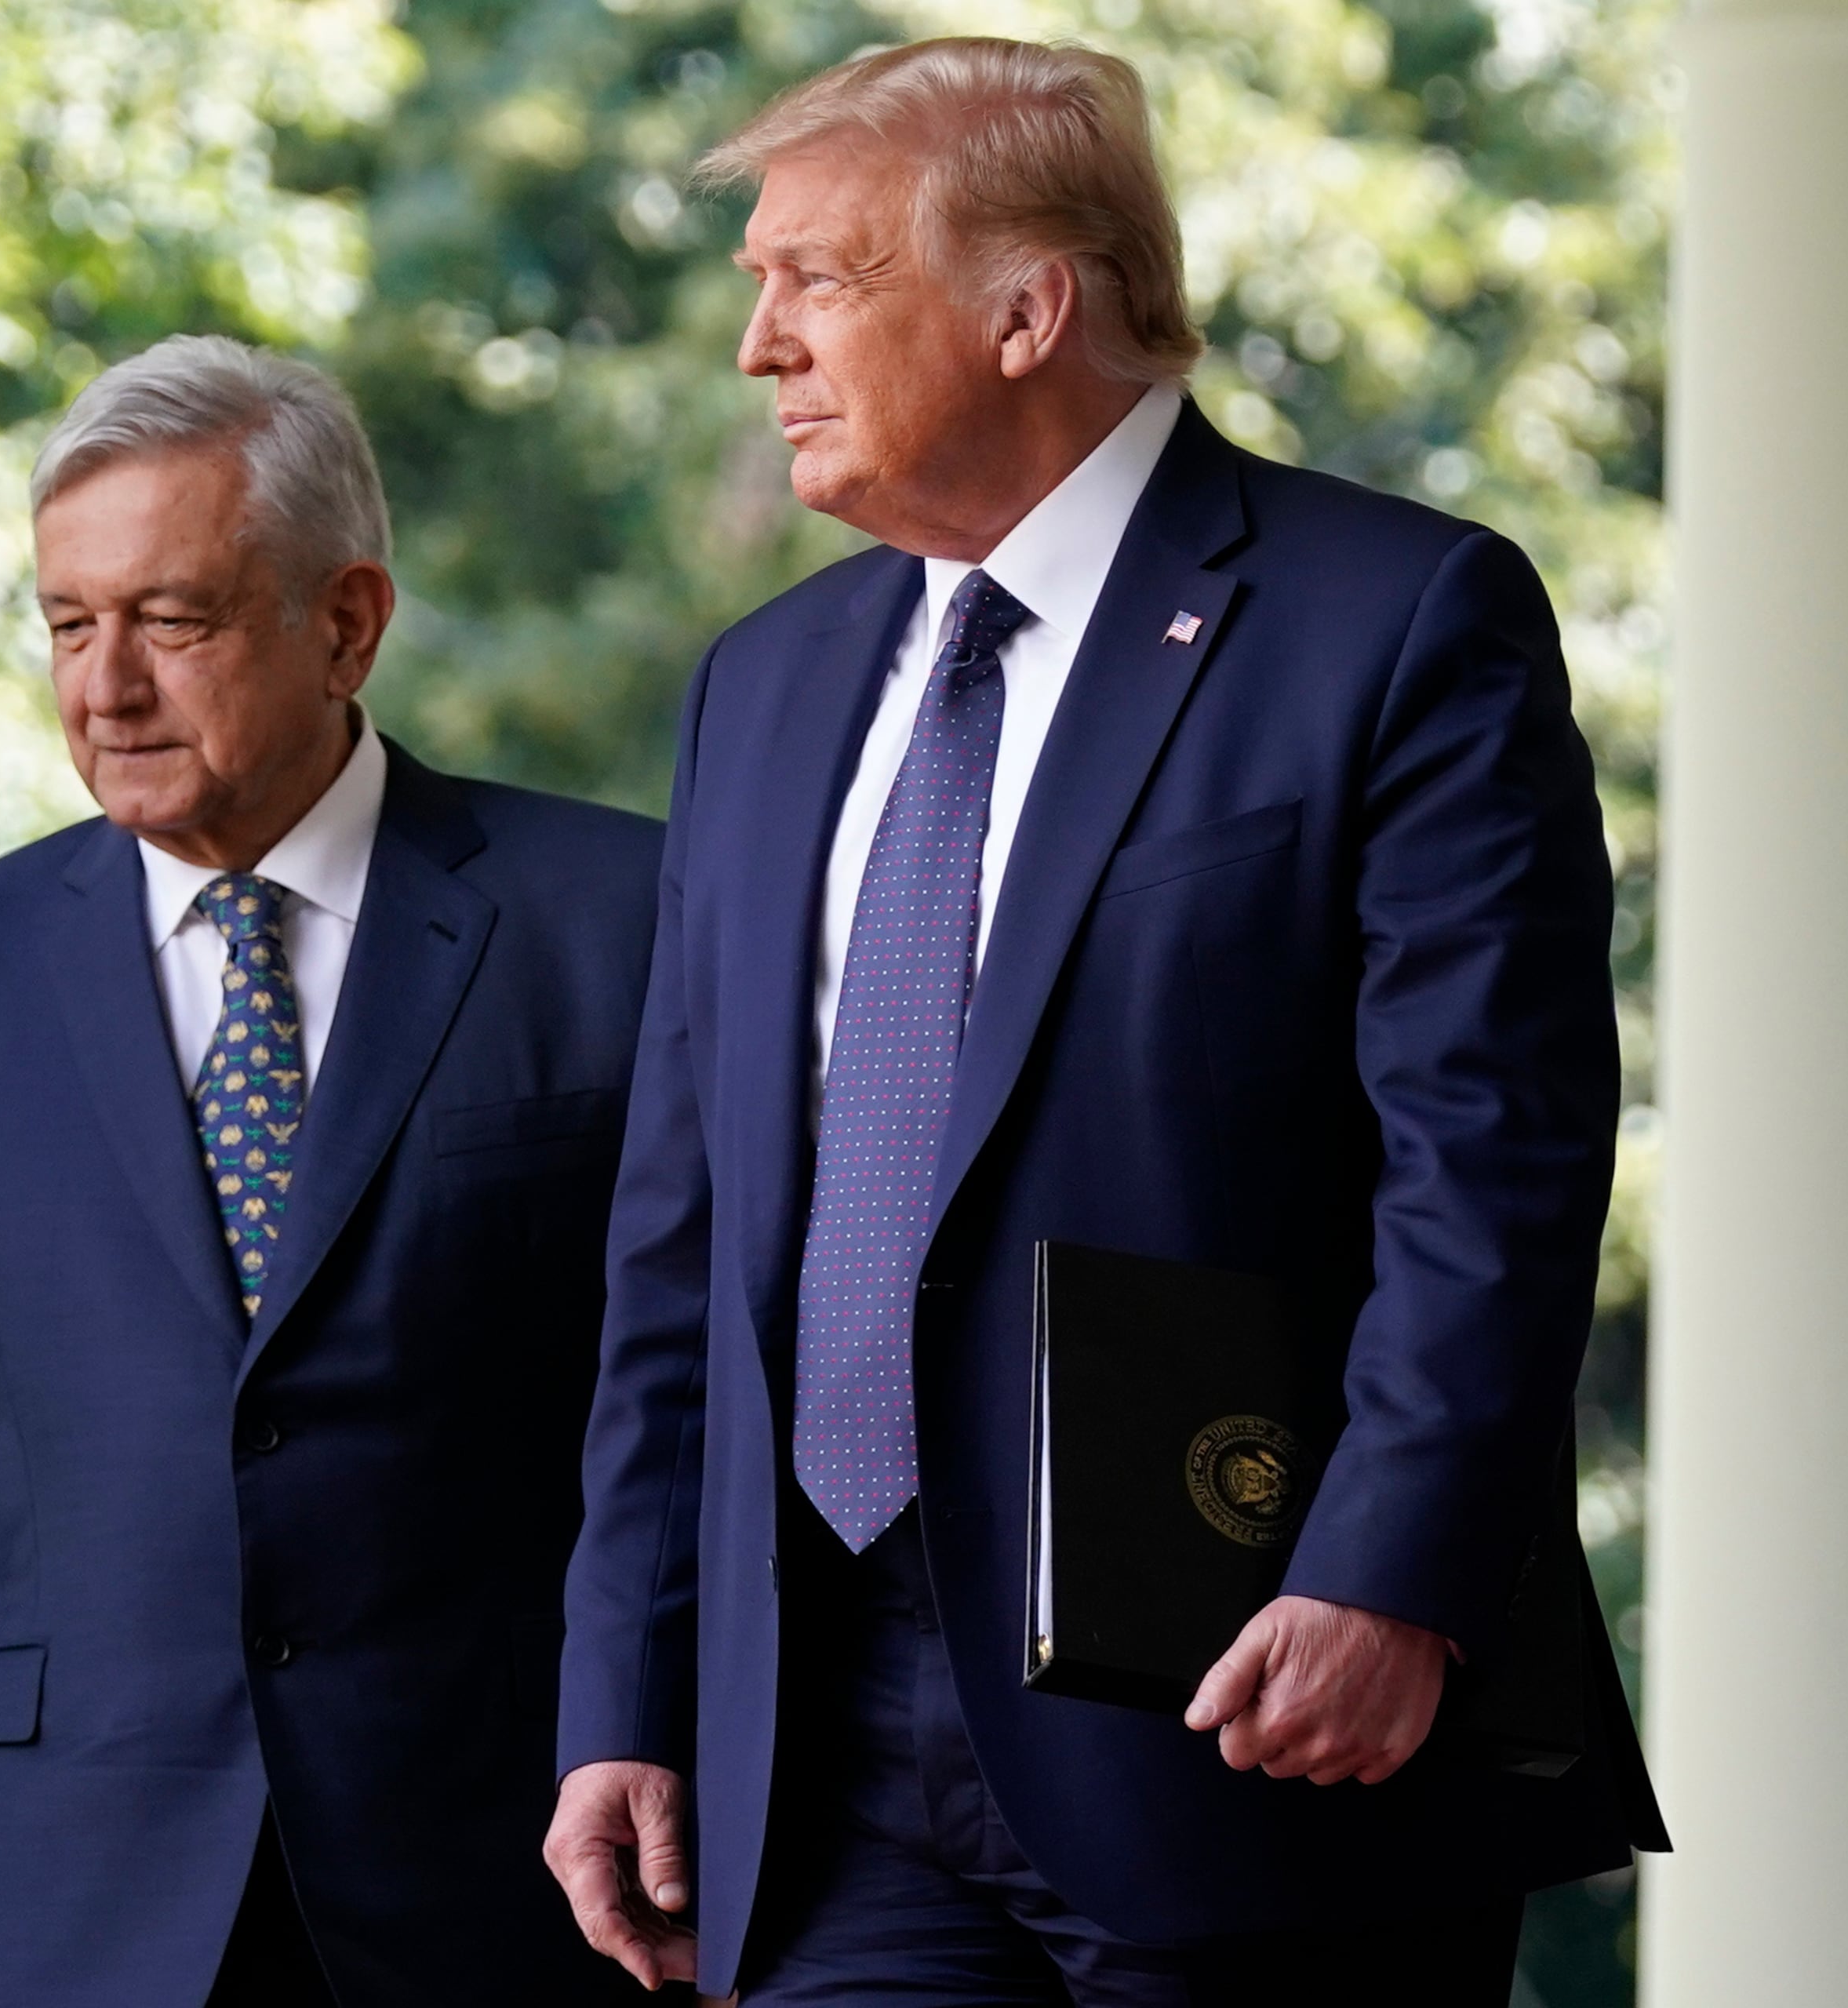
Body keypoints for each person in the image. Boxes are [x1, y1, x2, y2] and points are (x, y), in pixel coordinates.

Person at [545, 39, 1664, 2006]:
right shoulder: (762, 684)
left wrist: (1389, 1570)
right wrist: (629, 1688)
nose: (759, 345)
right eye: (758, 286)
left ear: (1026, 311)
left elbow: (1491, 1161)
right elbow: (684, 1238)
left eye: (817, 280)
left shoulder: (1400, 618)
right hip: (823, 1747)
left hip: (1258, 1709)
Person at [0, 335, 662, 2008]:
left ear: (348, 622)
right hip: (68, 1910)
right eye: (68, 624)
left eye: (170, 621)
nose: (104, 688)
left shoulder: (627, 923)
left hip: (510, 1898)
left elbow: (704, 1429)